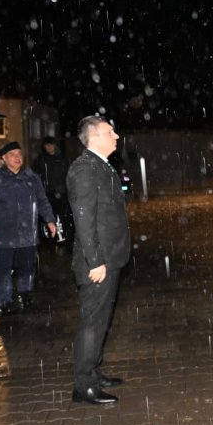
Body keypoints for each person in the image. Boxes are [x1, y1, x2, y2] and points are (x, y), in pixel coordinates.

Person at [67, 116, 131, 405]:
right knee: (92, 322)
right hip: (98, 262)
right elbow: (84, 221)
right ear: (94, 138)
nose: (116, 136)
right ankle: (84, 386)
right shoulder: (84, 170)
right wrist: (95, 261)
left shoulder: (99, 165)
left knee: (102, 319)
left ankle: (93, 372)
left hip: (109, 257)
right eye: (110, 132)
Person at [0, 141, 56, 316]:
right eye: (12, 155)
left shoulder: (31, 178)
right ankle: (3, 302)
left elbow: (42, 200)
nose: (17, 158)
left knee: (27, 267)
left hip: (28, 234)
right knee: (3, 269)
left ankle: (25, 295)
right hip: (2, 234)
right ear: (3, 158)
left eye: (19, 154)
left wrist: (50, 220)